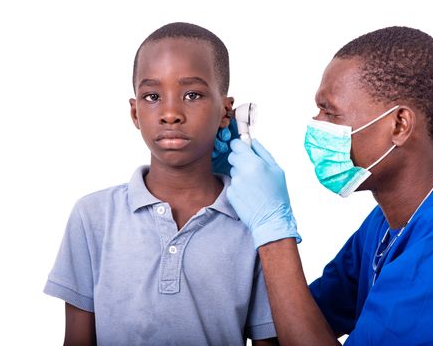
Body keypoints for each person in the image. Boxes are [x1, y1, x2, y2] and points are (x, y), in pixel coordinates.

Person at [218, 26, 433, 345]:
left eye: (330, 112)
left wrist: (274, 232)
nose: (316, 125)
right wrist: (229, 185)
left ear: (400, 125)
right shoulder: (387, 224)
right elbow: (291, 331)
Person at [44, 22, 277, 345]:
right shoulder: (93, 216)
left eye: (192, 94)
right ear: (135, 112)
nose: (170, 113)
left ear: (225, 111)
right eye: (152, 96)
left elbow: (269, 340)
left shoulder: (255, 222)